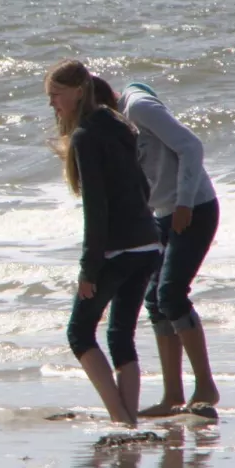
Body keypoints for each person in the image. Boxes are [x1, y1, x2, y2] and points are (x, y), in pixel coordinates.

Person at [45, 60, 161, 426]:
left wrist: (88, 270)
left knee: (79, 333)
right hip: (147, 244)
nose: (52, 104)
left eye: (56, 95)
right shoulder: (118, 124)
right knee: (120, 334)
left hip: (118, 250)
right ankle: (128, 423)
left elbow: (96, 211)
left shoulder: (85, 136)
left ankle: (119, 417)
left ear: (78, 91)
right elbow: (144, 188)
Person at [117, 81, 222, 417]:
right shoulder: (113, 125)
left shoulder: (137, 107)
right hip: (162, 214)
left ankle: (205, 387)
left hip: (194, 207)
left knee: (172, 294)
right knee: (155, 301)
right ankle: (172, 396)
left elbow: (191, 146)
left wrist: (185, 204)